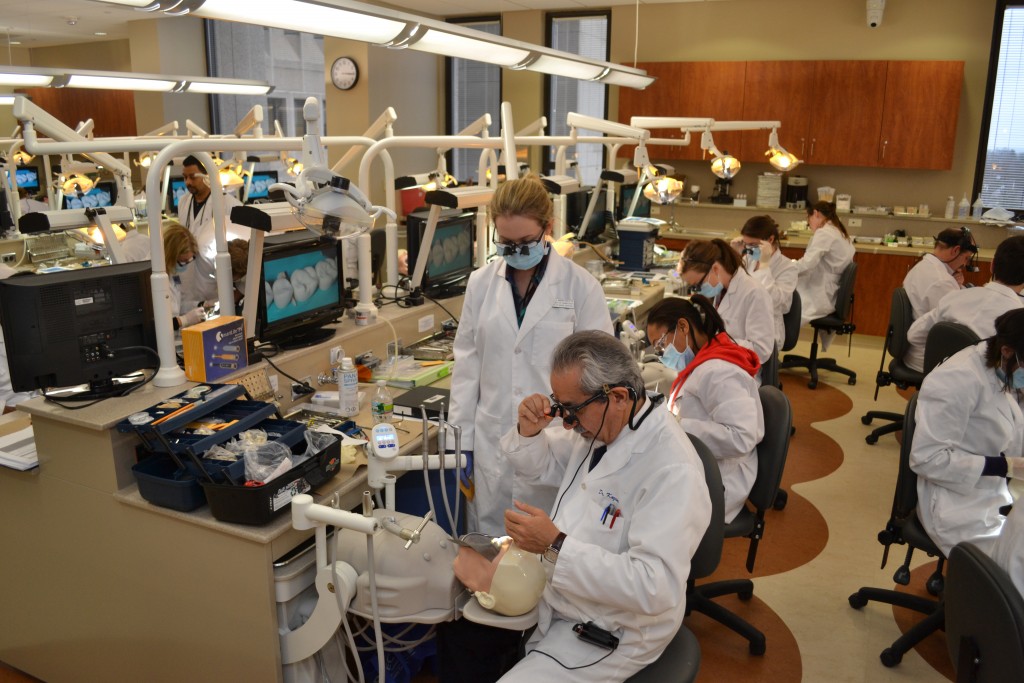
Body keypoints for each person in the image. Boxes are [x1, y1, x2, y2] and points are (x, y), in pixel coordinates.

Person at [498, 330, 711, 682]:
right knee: (466, 626)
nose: (565, 421)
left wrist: (556, 545)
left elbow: (653, 586)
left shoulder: (673, 470)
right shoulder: (604, 429)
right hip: (563, 598)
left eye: (571, 409)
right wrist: (530, 430)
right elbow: (544, 464)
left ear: (618, 397)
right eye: (559, 405)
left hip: (612, 629)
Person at [449, 176, 613, 538]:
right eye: (505, 242)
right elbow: (467, 368)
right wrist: (458, 446)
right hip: (492, 443)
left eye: (525, 242)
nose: (515, 250)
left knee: (548, 563)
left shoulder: (581, 287)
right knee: (492, 558)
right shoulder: (480, 284)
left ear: (548, 228)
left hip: (557, 447)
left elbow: (602, 376)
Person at [910, 308, 1024, 557]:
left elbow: (1011, 422)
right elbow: (927, 459)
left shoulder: (1003, 368)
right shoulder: (958, 379)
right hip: (956, 504)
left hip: (993, 491)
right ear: (1007, 351)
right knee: (1015, 563)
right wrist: (1005, 466)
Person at [646, 295, 763, 522]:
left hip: (721, 480)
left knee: (643, 501)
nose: (662, 355)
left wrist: (678, 425)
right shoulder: (705, 360)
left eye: (661, 344)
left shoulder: (719, 372)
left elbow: (742, 437)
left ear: (683, 326)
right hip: (703, 463)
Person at [904, 235, 1024, 372]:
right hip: (986, 390)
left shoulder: (954, 297)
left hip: (942, 376)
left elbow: (914, 335)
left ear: (992, 265)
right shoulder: (1018, 318)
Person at [677, 237, 775, 369]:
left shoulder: (754, 293)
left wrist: (719, 343)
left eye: (698, 285)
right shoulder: (721, 290)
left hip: (740, 371)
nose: (698, 291)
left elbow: (761, 350)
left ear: (715, 269)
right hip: (719, 363)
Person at [176, 155, 246, 311]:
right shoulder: (183, 202)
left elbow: (244, 255)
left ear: (206, 175)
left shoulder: (229, 204)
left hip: (217, 285)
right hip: (191, 281)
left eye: (193, 177)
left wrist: (235, 297)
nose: (188, 182)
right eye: (185, 177)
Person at [731, 215, 798, 350]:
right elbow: (733, 288)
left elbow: (774, 301)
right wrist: (735, 256)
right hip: (743, 322)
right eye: (746, 244)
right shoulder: (749, 259)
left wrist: (764, 265)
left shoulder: (787, 268)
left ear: (770, 239)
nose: (749, 249)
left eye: (754, 245)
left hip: (767, 329)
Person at [794, 201, 855, 326]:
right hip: (831, 292)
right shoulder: (838, 232)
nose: (808, 223)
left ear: (815, 213)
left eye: (808, 218)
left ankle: (774, 340)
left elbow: (807, 264)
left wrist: (786, 267)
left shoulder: (824, 233)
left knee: (782, 300)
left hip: (821, 294)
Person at [903, 227, 975, 320]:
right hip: (931, 332)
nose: (965, 264)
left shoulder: (922, 265)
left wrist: (956, 285)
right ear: (955, 251)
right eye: (966, 258)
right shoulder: (942, 282)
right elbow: (954, 321)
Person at [163, 223, 205, 330]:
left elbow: (177, 306)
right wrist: (184, 320)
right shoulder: (153, 278)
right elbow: (157, 325)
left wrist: (201, 305)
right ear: (170, 255)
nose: (185, 265)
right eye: (183, 261)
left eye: (189, 261)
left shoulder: (172, 273)